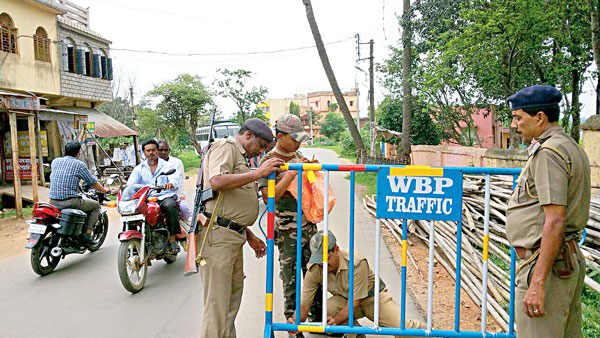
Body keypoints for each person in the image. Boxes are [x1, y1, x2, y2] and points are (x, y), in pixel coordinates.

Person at [506, 85, 591, 338]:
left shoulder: (549, 153)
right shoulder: (569, 146)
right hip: (561, 261)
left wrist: (538, 282)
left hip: (548, 266)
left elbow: (555, 220)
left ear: (540, 118)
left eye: (518, 117)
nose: (514, 125)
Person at [198, 118, 284, 338]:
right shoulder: (226, 147)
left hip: (232, 235)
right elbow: (217, 181)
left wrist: (249, 235)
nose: (260, 152)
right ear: (247, 135)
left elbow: (229, 206)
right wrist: (258, 173)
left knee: (229, 306)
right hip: (217, 238)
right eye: (261, 146)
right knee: (218, 307)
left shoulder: (241, 158)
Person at [287, 230, 426, 338]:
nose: (322, 264)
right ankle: (358, 336)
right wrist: (294, 322)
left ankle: (435, 333)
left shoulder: (356, 263)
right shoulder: (315, 269)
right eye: (318, 259)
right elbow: (304, 306)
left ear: (336, 250)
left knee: (403, 328)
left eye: (325, 258)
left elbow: (354, 304)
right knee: (329, 309)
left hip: (373, 299)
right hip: (346, 300)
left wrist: (335, 322)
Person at [258, 114, 322, 335]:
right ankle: (293, 326)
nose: (299, 142)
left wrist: (310, 168)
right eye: (295, 138)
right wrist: (292, 173)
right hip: (287, 230)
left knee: (315, 274)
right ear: (281, 136)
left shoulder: (298, 154)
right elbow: (269, 196)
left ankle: (317, 321)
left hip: (308, 225)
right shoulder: (269, 160)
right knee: (291, 279)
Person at [48, 142, 113, 245]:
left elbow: (65, 177)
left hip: (52, 201)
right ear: (78, 153)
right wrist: (105, 190)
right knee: (95, 206)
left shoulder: (55, 161)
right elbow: (92, 182)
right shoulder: (79, 165)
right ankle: (87, 234)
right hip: (70, 202)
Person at [128, 139, 181, 253]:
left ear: (157, 151)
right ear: (144, 153)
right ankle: (134, 239)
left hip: (163, 196)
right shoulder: (139, 169)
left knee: (170, 206)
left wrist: (170, 183)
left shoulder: (167, 166)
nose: (151, 153)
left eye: (153, 150)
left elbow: (175, 179)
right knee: (131, 210)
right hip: (146, 198)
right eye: (148, 150)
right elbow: (131, 184)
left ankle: (172, 240)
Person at [157, 140, 191, 221]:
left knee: (184, 208)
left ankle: (188, 230)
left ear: (169, 150)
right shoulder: (152, 163)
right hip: (158, 195)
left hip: (175, 193)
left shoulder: (176, 163)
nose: (163, 152)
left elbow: (179, 180)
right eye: (161, 150)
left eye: (166, 150)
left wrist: (180, 195)